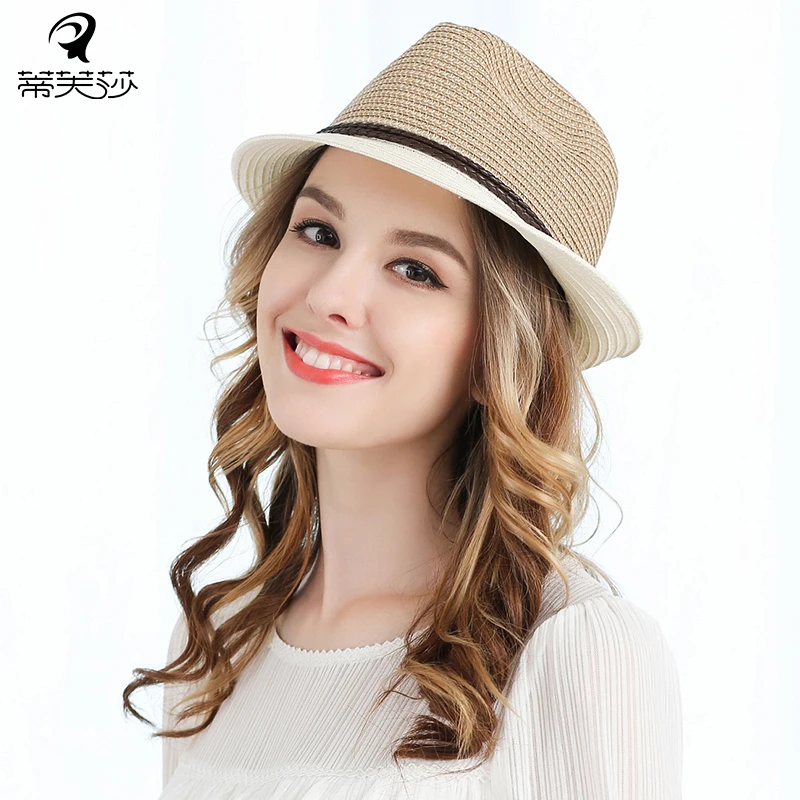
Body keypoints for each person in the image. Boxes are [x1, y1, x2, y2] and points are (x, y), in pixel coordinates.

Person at [123, 21, 682, 799]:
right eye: (318, 231)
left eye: (416, 270)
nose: (329, 294)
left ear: (501, 351)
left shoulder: (573, 649)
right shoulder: (216, 644)